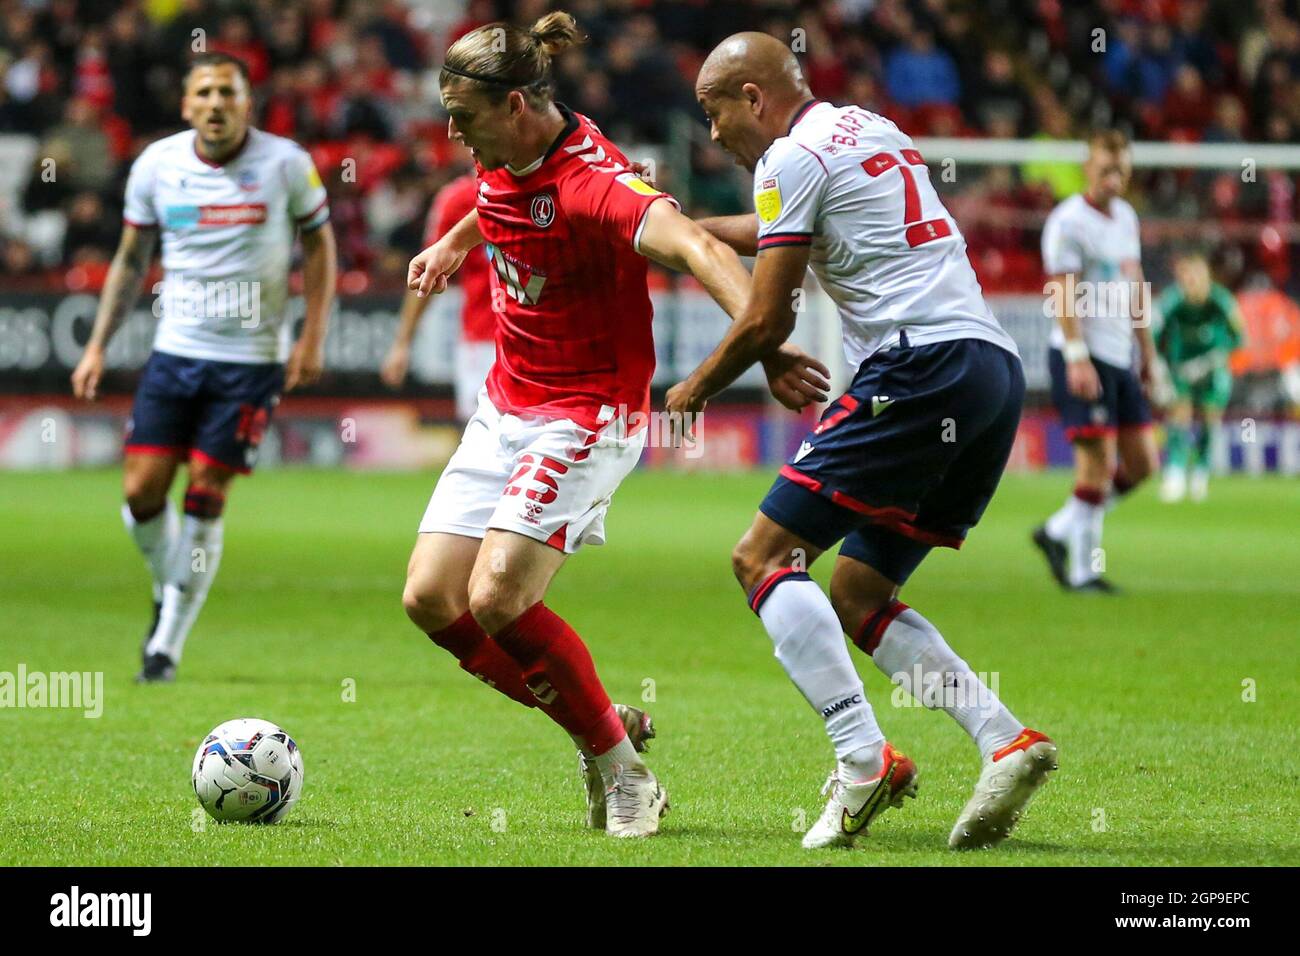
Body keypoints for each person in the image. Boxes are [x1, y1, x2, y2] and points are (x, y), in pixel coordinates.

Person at [403, 13, 825, 838]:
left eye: (465, 117)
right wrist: (458, 239)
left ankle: (621, 771)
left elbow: (698, 249)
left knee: (496, 598)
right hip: (505, 404)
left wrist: (765, 342)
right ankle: (602, 720)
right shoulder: (514, 146)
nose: (453, 133)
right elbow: (502, 189)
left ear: (517, 104)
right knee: (428, 599)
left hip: (584, 412)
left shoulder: (598, 184)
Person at [669, 32, 1056, 850]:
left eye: (714, 113)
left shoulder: (788, 160)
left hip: (916, 368)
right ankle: (1006, 739)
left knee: (763, 557)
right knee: (857, 594)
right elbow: (783, 224)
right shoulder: (868, 129)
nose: (712, 135)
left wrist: (696, 387)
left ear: (752, 98)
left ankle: (862, 758)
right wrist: (696, 230)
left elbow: (770, 314)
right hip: (990, 372)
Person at [70, 53, 337, 682]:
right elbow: (131, 260)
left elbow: (321, 244)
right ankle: (172, 585)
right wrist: (96, 345)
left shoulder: (287, 164)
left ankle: (166, 643)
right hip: (177, 352)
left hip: (250, 362)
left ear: (248, 102)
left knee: (206, 495)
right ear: (187, 105)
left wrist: (312, 337)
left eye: (229, 92)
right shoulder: (157, 166)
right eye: (205, 92)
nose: (216, 103)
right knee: (140, 494)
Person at [1032, 130, 1159, 592]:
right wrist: (1077, 356)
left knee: (1143, 462)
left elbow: (1135, 285)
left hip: (1120, 355)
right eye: (1106, 169)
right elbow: (1061, 292)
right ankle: (1085, 572)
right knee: (1097, 465)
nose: (1114, 178)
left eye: (1121, 170)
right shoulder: (1067, 222)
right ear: (1089, 168)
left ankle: (1057, 530)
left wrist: (1147, 351)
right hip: (1083, 355)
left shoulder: (1126, 217)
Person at [382, 158, 495, 422]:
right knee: (479, 436)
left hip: (536, 341)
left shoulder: (538, 188)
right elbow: (426, 273)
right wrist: (402, 344)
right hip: (482, 342)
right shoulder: (457, 199)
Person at [1156, 250, 1245, 502]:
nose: (1191, 282)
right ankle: (1174, 472)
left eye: (1196, 276)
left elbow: (1240, 337)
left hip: (1212, 370)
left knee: (1209, 419)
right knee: (1179, 417)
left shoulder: (1221, 301)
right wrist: (1159, 369)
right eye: (1186, 276)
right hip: (1181, 368)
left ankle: (1201, 472)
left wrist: (1213, 359)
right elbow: (1153, 335)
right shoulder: (1172, 301)